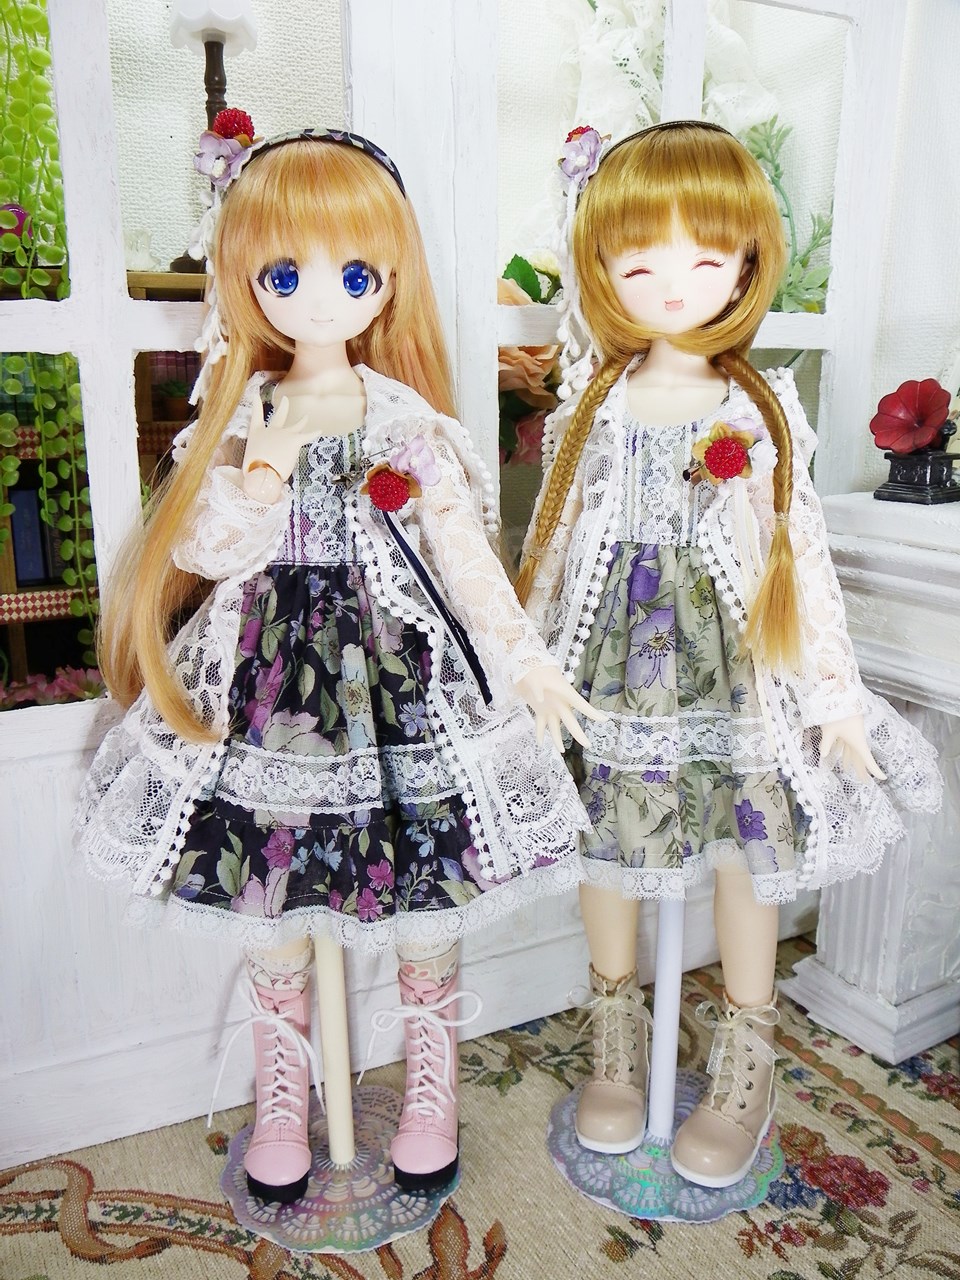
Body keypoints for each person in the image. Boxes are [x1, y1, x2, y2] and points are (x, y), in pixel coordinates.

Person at [77, 126, 595, 1204]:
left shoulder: (405, 418)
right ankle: (284, 1089)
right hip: (271, 681)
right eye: (286, 274)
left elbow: (462, 554)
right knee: (271, 885)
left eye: (354, 275)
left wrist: (524, 662)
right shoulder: (240, 416)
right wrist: (260, 472)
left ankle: (431, 1081)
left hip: (397, 674)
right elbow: (205, 549)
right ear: (245, 279)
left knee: (425, 883)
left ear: (389, 281)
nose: (322, 299)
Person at [516, 120, 940, 1189]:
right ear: (601, 266)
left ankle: (748, 1061)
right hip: (611, 664)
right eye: (640, 263)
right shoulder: (591, 405)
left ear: (747, 264)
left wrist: (834, 695)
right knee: (610, 845)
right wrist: (528, 660)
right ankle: (616, 1038)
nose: (673, 284)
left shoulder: (759, 405)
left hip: (734, 668)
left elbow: (802, 551)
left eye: (706, 260)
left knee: (752, 848)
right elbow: (551, 544)